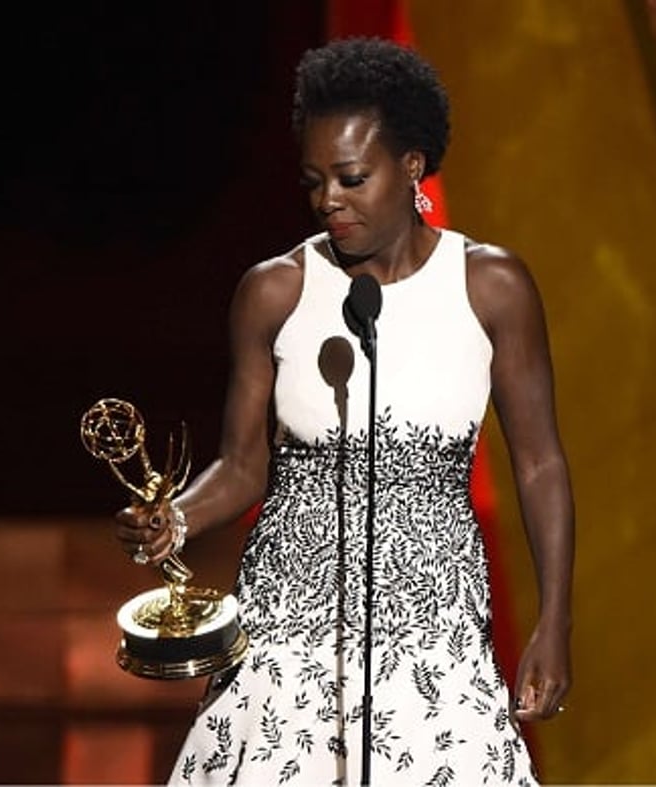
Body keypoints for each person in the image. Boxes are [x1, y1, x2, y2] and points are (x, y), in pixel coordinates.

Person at [116, 37, 574, 786]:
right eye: (314, 180)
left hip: (433, 629)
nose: (329, 198)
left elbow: (540, 461)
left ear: (413, 166)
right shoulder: (274, 291)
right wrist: (173, 519)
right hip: (286, 629)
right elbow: (241, 466)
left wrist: (555, 620)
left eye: (352, 177)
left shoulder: (492, 286)